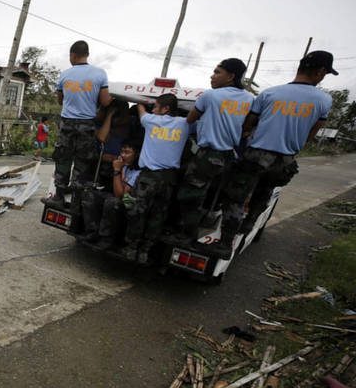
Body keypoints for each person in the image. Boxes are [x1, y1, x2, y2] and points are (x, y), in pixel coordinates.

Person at [207, 51, 336, 258]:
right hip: (285, 158)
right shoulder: (324, 100)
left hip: (257, 154)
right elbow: (313, 131)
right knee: (263, 193)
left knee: (236, 197)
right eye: (325, 73)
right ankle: (248, 226)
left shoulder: (269, 94)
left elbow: (249, 124)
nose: (323, 76)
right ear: (320, 71)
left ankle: (224, 243)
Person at [174, 58, 254, 244]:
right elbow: (248, 126)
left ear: (231, 76)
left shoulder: (210, 96)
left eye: (218, 72)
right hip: (230, 155)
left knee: (190, 195)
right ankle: (225, 239)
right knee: (226, 197)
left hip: (208, 154)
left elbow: (190, 119)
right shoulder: (250, 99)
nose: (212, 75)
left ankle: (187, 234)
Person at [123, 93, 193, 264]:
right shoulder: (185, 124)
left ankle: (132, 248)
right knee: (158, 215)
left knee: (138, 212)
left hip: (149, 177)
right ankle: (145, 251)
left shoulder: (151, 120)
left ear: (165, 109)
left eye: (155, 106)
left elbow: (140, 108)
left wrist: (143, 101)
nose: (153, 109)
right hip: (168, 179)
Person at [44, 40, 112, 206]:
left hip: (67, 123)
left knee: (63, 158)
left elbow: (61, 100)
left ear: (73, 55)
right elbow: (105, 101)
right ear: (87, 54)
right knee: (82, 161)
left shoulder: (65, 75)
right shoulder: (100, 74)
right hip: (87, 124)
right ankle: (76, 200)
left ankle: (59, 196)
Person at [82, 139, 141, 249]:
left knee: (112, 202)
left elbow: (119, 195)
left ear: (136, 154)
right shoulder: (125, 166)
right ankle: (92, 232)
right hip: (117, 198)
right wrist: (122, 169)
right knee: (89, 195)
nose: (123, 155)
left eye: (127, 152)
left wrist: (117, 170)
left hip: (129, 206)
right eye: (122, 152)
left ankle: (107, 238)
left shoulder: (138, 172)